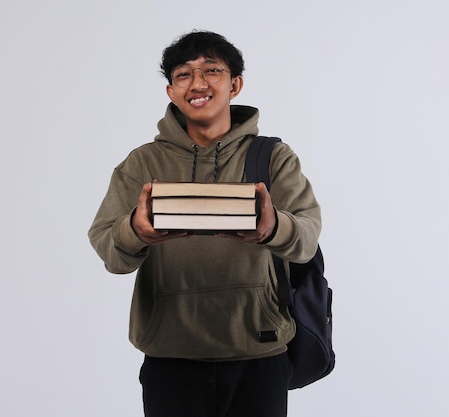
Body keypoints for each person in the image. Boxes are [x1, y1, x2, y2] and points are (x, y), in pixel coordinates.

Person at [88, 30, 321, 417]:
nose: (198, 83)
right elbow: (110, 252)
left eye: (212, 70)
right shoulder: (141, 163)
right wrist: (136, 230)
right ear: (171, 92)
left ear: (236, 84)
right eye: (183, 75)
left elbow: (307, 239)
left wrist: (273, 227)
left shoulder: (274, 157)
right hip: (170, 354)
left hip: (258, 350)